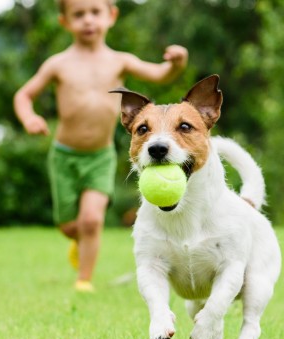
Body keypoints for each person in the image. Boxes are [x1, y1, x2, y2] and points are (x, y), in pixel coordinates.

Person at [13, 0, 188, 293]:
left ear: (111, 16)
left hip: (100, 156)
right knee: (70, 225)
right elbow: (23, 95)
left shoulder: (120, 60)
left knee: (92, 220)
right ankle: (76, 239)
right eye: (78, 15)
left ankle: (84, 279)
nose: (88, 20)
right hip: (64, 156)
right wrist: (29, 118)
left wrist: (177, 62)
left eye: (95, 12)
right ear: (64, 22)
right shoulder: (58, 64)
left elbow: (160, 75)